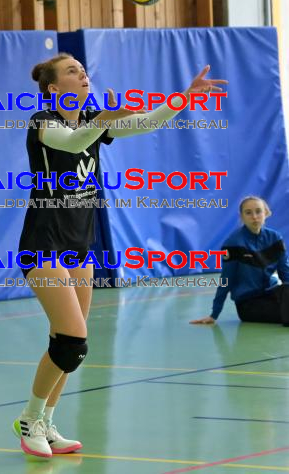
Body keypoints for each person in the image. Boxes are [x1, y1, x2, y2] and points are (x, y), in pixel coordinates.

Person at [13, 53, 227, 458]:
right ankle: (29, 419)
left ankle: (46, 422)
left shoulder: (93, 117)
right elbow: (75, 141)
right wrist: (103, 119)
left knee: (69, 346)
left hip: (80, 245)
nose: (83, 74)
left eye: (83, 68)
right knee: (73, 341)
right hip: (44, 244)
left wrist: (185, 98)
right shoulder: (45, 122)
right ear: (54, 88)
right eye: (73, 70)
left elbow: (145, 122)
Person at [190, 196, 289, 327]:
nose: (254, 216)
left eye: (258, 211)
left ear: (266, 213)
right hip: (248, 304)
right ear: (241, 217)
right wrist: (214, 314)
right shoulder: (233, 243)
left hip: (272, 294)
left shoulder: (275, 238)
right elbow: (226, 280)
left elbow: (285, 274)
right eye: (248, 212)